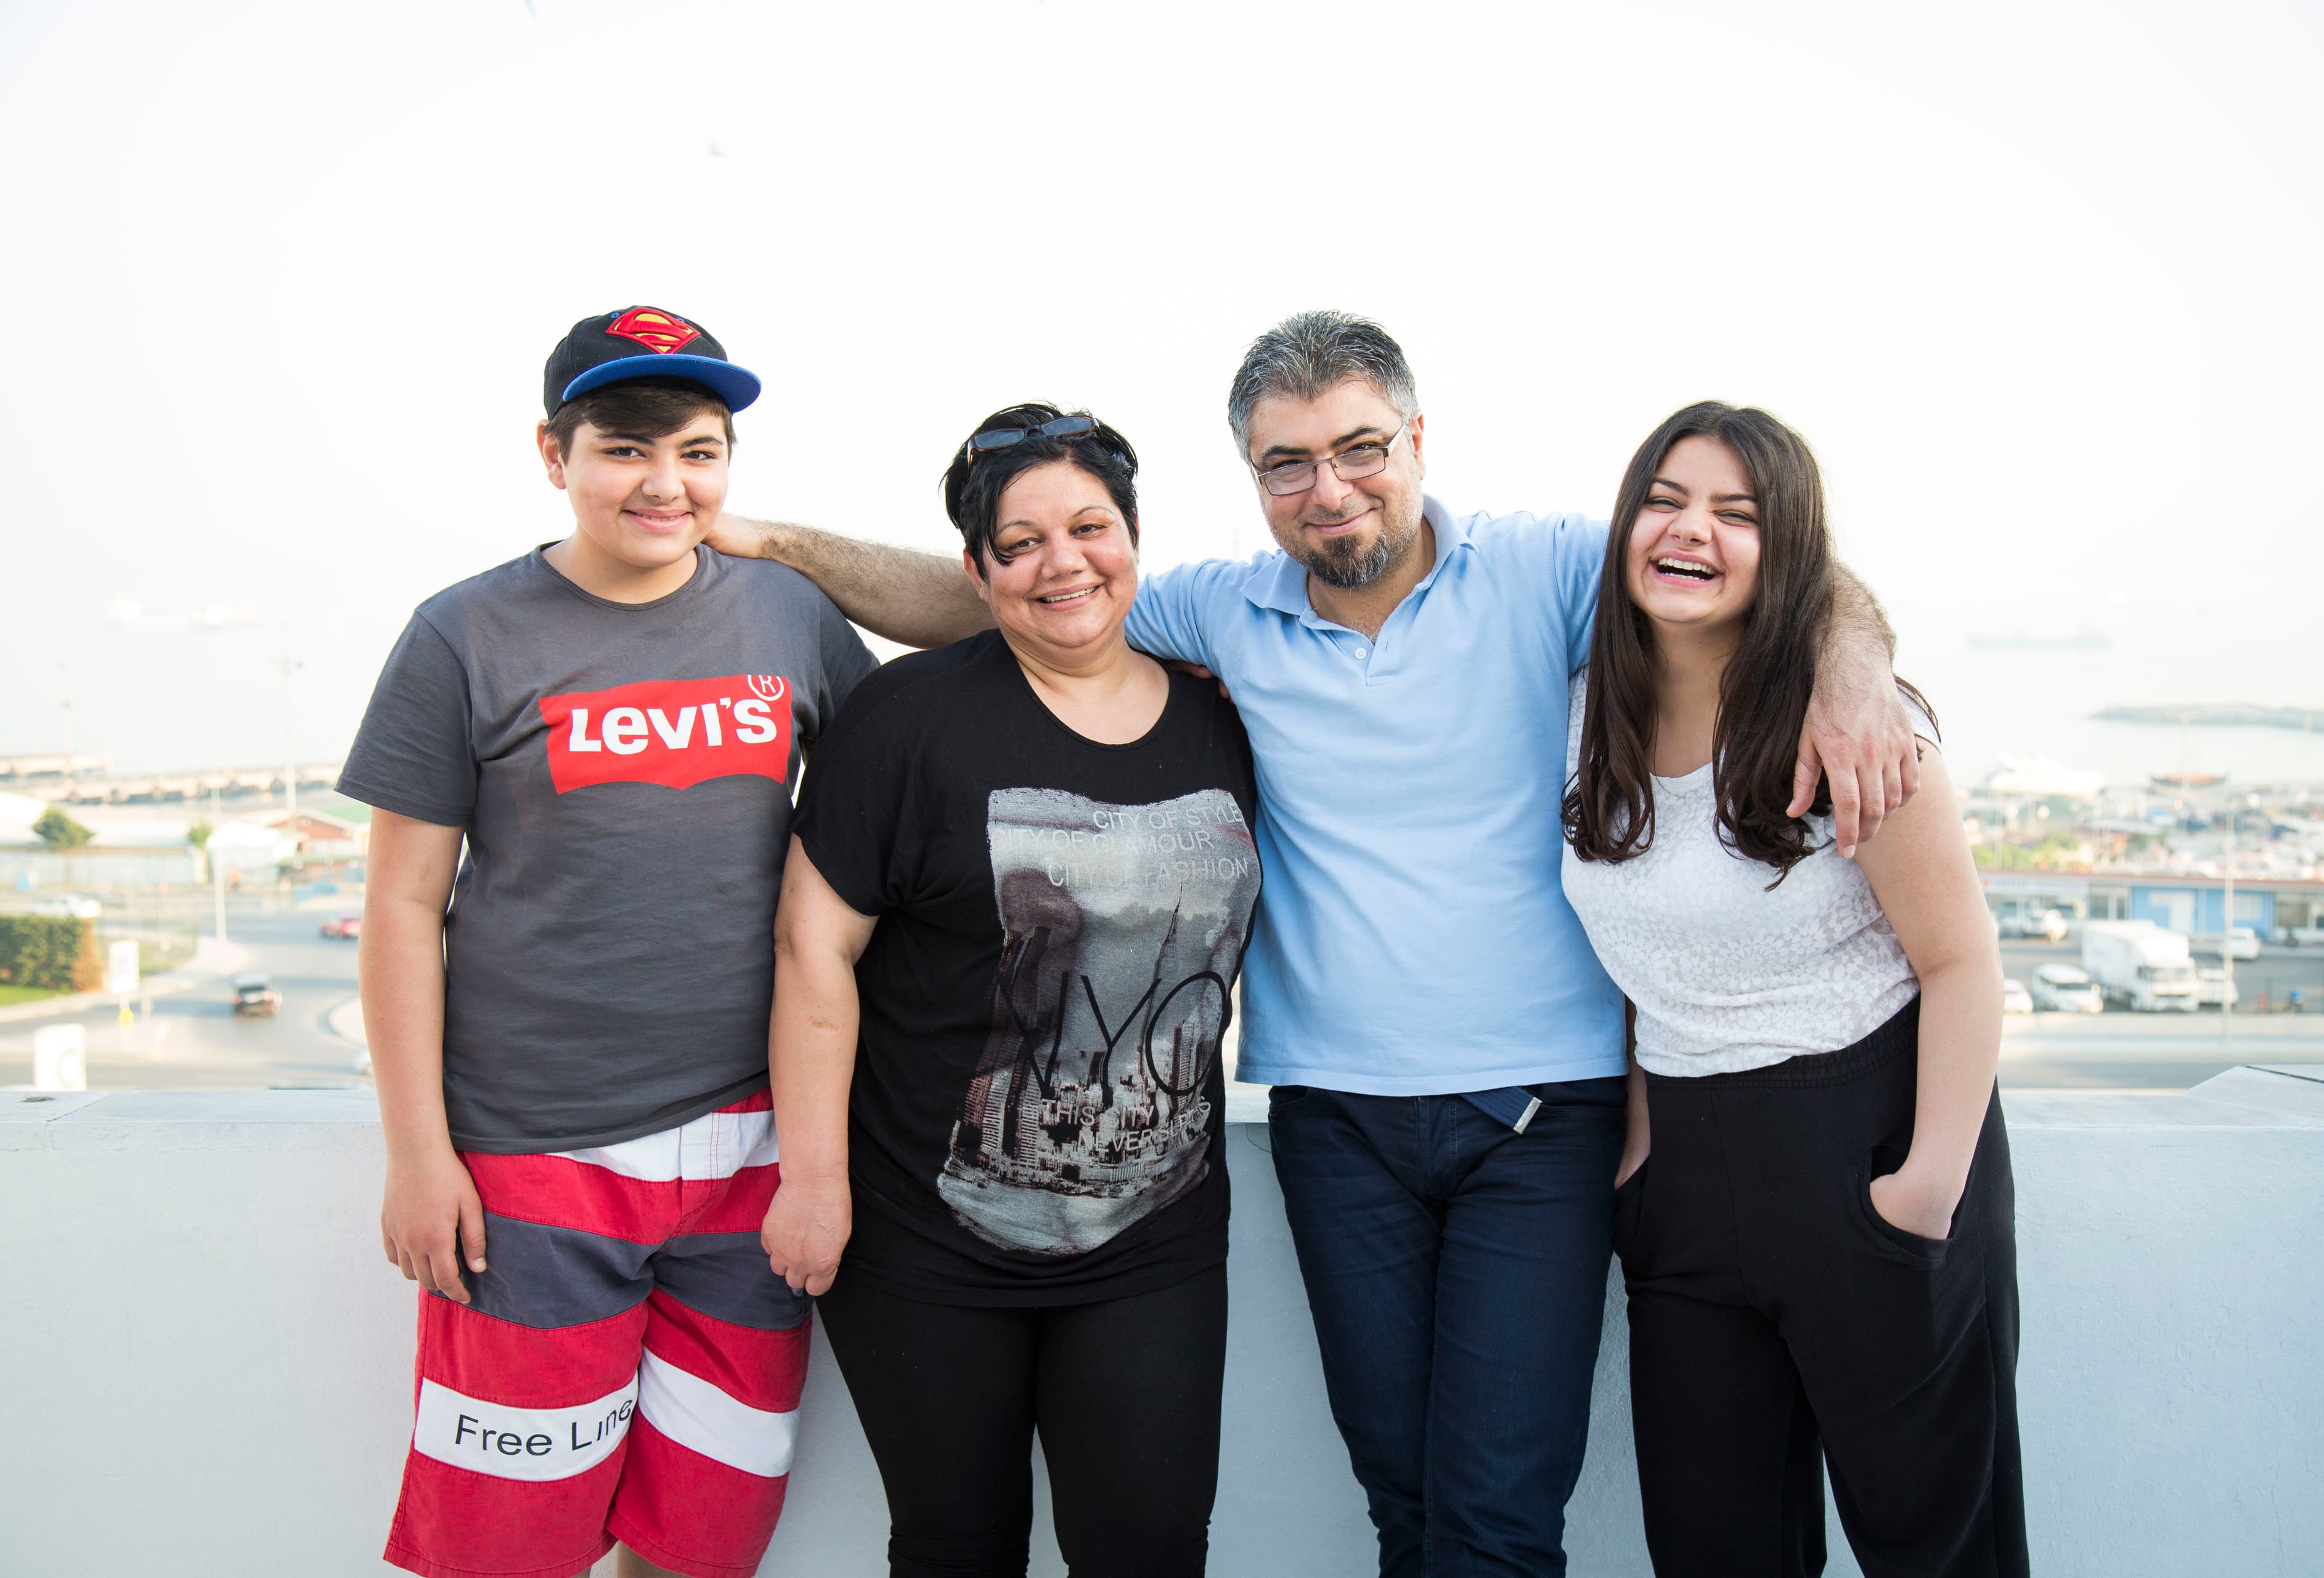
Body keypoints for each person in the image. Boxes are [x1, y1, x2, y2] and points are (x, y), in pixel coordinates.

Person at [708, 313, 1919, 1577]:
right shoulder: (1221, 611)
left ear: (1416, 439)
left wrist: (1855, 670)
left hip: (1540, 1114)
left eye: (1359, 448)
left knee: (1498, 1514)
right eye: (1287, 462)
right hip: (1337, 1119)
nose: (1329, 488)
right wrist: (771, 541)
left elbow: (1765, 566)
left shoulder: (1548, 568)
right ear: (1252, 477)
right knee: (1403, 1498)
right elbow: (999, 593)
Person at [346, 306, 877, 1578]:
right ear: (553, 452)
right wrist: (420, 1156)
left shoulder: (788, 615)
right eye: (625, 448)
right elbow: (403, 904)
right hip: (534, 1162)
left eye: (699, 451)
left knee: (702, 1542)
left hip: (751, 1160)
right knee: (509, 1549)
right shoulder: (463, 633)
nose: (664, 482)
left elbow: (955, 683)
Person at [762, 405, 1255, 1578]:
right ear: (978, 571)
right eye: (1020, 542)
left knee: (1148, 1546)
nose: (1061, 562)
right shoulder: (907, 720)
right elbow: (810, 952)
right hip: (924, 1234)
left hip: (1155, 1232)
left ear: (1133, 538)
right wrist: (813, 1184)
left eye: (1089, 527)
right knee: (956, 1546)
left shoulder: (1226, 715)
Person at [1562, 402, 2024, 1576]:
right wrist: (1640, 1155)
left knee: (1937, 1550)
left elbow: (1964, 963)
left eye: (1739, 514)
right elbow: (1642, 957)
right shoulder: (1585, 711)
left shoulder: (1855, 725)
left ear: (1791, 550)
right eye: (1665, 499)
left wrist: (1923, 1194)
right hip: (1685, 1182)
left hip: (1864, 1148)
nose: (1690, 531)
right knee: (1717, 1550)